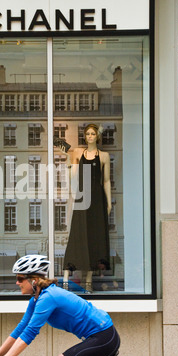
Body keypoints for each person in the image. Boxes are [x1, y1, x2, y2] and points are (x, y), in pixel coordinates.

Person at [62, 123, 111, 292]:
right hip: (82, 197)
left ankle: (88, 281)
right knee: (77, 234)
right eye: (88, 133)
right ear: (85, 136)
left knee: (94, 238)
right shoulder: (77, 152)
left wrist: (109, 202)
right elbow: (73, 176)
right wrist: (70, 165)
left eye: (93, 133)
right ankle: (66, 278)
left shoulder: (104, 156)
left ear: (97, 136)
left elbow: (106, 181)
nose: (90, 136)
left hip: (97, 199)